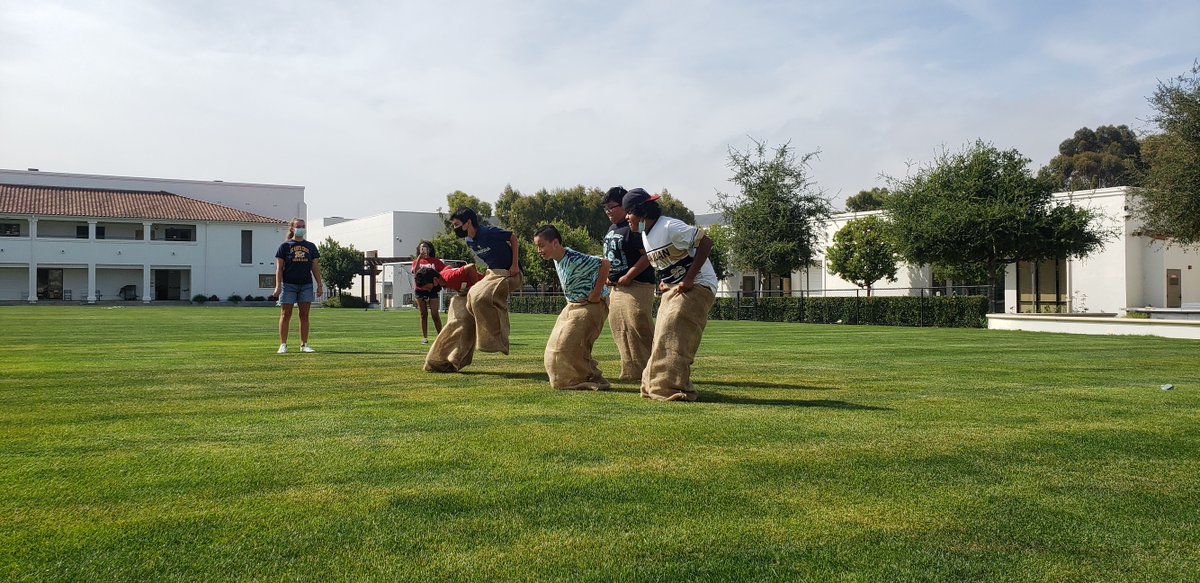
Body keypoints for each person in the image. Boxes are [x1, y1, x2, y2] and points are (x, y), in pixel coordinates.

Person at [622, 188, 718, 401]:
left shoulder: (669, 226)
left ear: (642, 211)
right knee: (661, 336)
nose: (626, 217)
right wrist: (665, 280)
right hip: (676, 288)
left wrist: (689, 278)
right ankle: (653, 385)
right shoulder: (646, 235)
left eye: (629, 212)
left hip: (699, 284)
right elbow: (667, 262)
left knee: (673, 331)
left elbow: (706, 242)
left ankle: (671, 386)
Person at [533, 225, 611, 391]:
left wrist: (596, 293)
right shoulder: (557, 259)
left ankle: (591, 377)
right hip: (574, 304)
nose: (539, 251)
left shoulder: (574, 258)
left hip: (591, 305)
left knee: (568, 346)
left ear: (555, 243)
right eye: (537, 247)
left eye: (541, 246)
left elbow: (604, 264)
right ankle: (570, 379)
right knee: (554, 349)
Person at [600, 186, 657, 381]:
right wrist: (607, 276)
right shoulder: (611, 229)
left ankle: (658, 366)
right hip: (615, 287)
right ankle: (631, 370)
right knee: (620, 328)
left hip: (638, 284)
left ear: (625, 206)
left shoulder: (635, 226)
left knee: (638, 321)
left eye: (611, 207)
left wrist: (629, 276)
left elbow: (647, 255)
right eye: (605, 208)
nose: (608, 212)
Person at [450, 208, 522, 355]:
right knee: (469, 299)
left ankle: (499, 339)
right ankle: (462, 347)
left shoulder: (488, 232)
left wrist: (515, 264)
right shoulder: (469, 241)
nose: (455, 228)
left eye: (457, 224)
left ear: (468, 222)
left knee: (481, 297)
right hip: (493, 272)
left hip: (509, 272)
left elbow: (513, 237)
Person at [417, 264, 485, 372]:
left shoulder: (449, 278)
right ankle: (452, 358)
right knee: (458, 327)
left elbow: (471, 267)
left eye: (427, 287)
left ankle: (448, 358)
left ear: (435, 280)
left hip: (484, 290)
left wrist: (475, 287)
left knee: (462, 326)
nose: (429, 290)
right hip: (472, 294)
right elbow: (448, 267)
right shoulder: (444, 276)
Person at [273, 218, 323, 354]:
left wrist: (319, 285)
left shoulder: (311, 247)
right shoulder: (284, 246)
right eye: (298, 226)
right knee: (285, 314)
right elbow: (279, 268)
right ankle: (283, 344)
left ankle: (304, 345)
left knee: (304, 315)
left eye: (303, 226)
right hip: (288, 285)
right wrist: (278, 286)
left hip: (306, 285)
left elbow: (315, 267)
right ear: (292, 228)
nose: (301, 228)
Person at [410, 240, 446, 344]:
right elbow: (415, 272)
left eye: (425, 247)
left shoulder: (435, 261)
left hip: (433, 290)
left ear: (429, 249)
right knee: (423, 314)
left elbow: (444, 272)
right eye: (421, 247)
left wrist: (438, 281)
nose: (424, 249)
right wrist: (419, 258)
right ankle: (424, 337)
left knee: (435, 314)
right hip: (420, 290)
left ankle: (440, 337)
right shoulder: (416, 261)